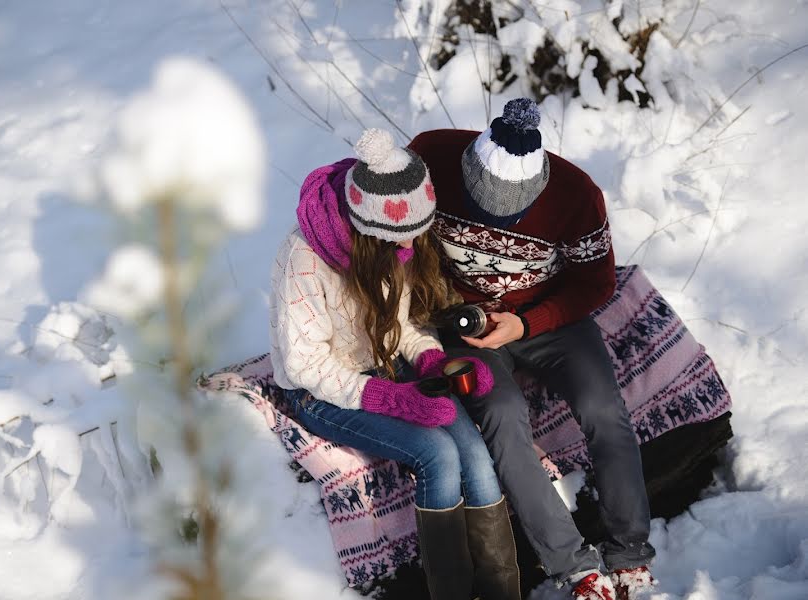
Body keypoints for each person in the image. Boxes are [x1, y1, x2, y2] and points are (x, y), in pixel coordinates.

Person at [408, 98, 657, 600]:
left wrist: (525, 324)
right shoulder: (431, 155)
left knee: (603, 408)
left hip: (546, 319)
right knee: (501, 413)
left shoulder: (575, 194)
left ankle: (629, 551)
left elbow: (596, 282)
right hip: (466, 325)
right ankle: (573, 566)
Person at [269, 128, 522, 600]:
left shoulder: (392, 241)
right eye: (402, 240)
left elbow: (402, 323)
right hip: (321, 391)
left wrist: (430, 362)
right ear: (369, 229)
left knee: (476, 459)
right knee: (438, 455)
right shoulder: (304, 257)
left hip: (386, 371)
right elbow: (304, 363)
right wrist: (389, 397)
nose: (409, 250)